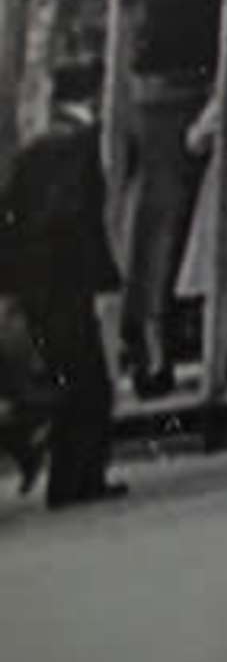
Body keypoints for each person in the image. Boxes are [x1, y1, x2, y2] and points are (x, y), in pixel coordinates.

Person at [1, 60, 123, 505]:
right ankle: (79, 477)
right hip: (63, 279)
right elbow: (73, 216)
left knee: (68, 376)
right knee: (88, 381)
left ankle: (65, 477)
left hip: (34, 281)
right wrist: (99, 270)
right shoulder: (79, 146)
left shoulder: (35, 148)